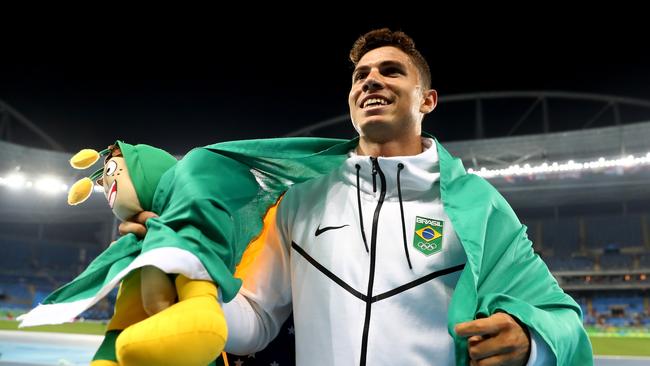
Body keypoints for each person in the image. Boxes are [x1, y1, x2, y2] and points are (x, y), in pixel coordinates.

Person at [123, 28, 593, 365]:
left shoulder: (478, 205)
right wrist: (181, 264)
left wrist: (531, 344)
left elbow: (560, 317)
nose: (370, 80)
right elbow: (256, 320)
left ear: (426, 100)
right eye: (360, 75)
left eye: (391, 72)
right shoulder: (301, 197)